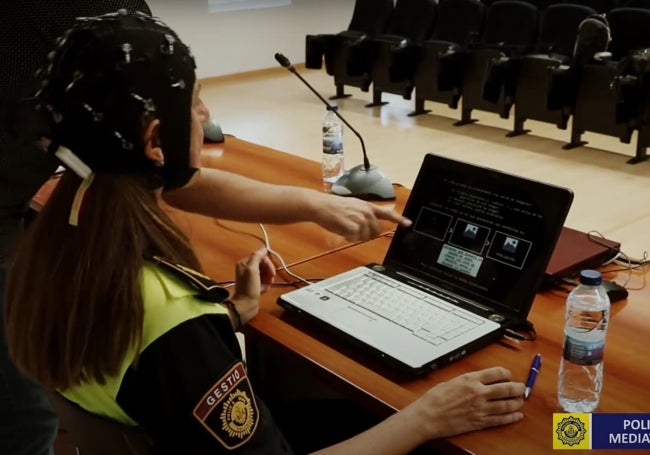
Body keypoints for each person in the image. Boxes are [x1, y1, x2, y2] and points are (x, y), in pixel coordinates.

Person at [4, 11, 525, 454]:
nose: (207, 117)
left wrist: (229, 314)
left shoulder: (51, 239)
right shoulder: (171, 321)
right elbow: (167, 347)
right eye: (196, 101)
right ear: (156, 142)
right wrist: (428, 416)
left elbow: (141, 367)